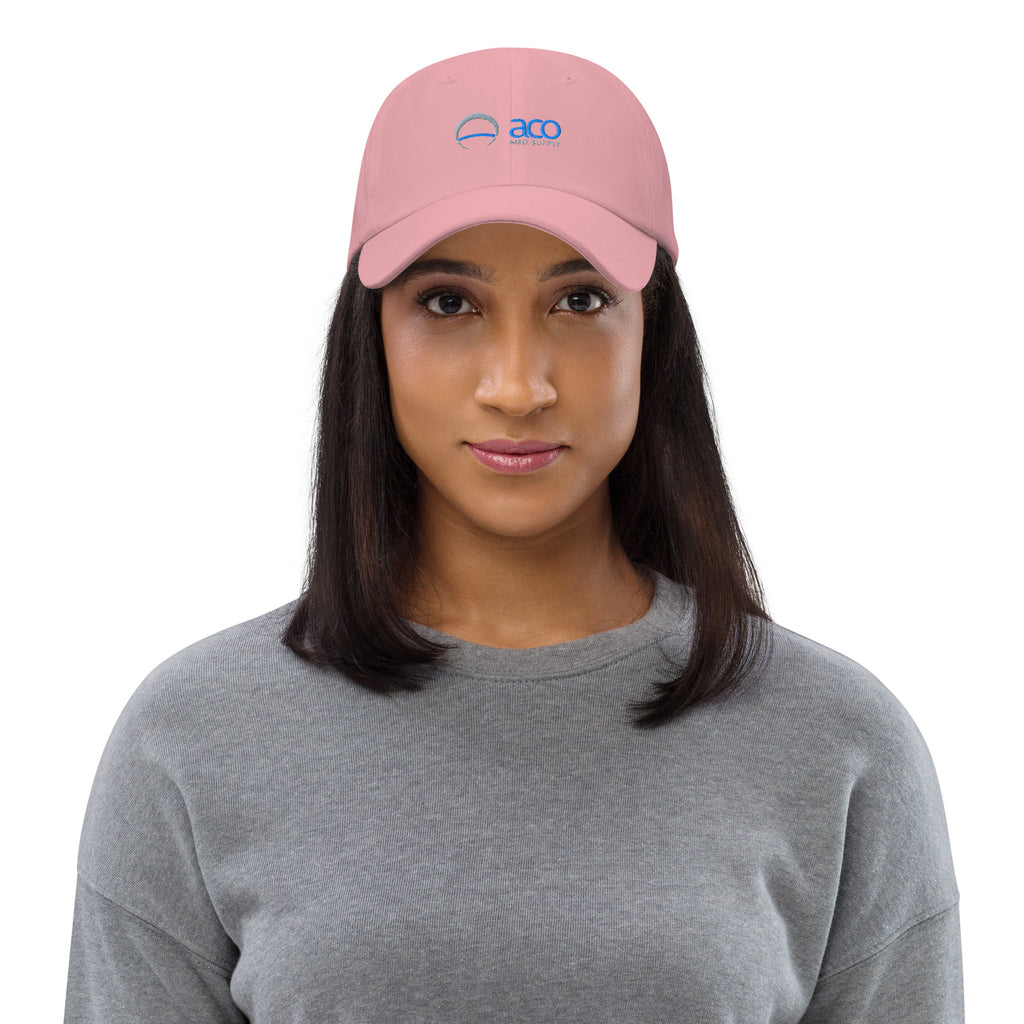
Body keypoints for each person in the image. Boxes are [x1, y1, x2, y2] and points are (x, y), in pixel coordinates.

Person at [63, 47, 963, 1022]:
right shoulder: (190, 738)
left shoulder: (838, 741)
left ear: (653, 334)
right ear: (373, 338)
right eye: (449, 303)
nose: (518, 385)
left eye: (579, 301)